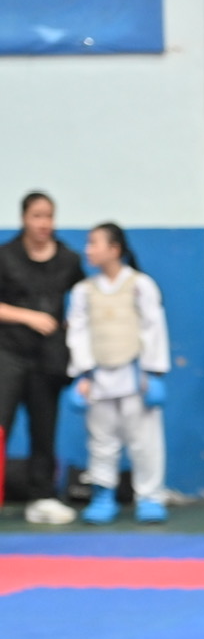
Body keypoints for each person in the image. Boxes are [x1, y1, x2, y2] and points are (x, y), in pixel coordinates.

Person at [65, 223, 170, 524]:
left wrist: (153, 372)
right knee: (100, 440)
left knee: (145, 441)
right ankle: (102, 494)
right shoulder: (83, 291)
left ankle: (150, 496)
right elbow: (78, 334)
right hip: (99, 379)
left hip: (136, 378)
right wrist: (82, 374)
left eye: (93, 243)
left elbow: (154, 329)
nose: (87, 249)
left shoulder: (140, 285)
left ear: (114, 249)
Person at [0, 192, 83, 525]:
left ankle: (42, 496)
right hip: (8, 353)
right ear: (24, 219)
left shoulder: (68, 259)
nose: (43, 223)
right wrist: (28, 316)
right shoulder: (6, 256)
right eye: (37, 216)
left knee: (44, 429)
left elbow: (80, 303)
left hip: (48, 358)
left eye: (48, 216)